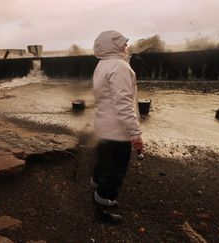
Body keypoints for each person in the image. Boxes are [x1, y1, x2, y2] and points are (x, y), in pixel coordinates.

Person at [91, 30, 143, 224]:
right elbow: (123, 105)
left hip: (103, 126)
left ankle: (96, 189)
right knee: (114, 172)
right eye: (123, 43)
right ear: (115, 45)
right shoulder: (120, 67)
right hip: (117, 131)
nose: (126, 46)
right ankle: (103, 208)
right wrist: (135, 134)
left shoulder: (102, 64)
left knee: (103, 163)